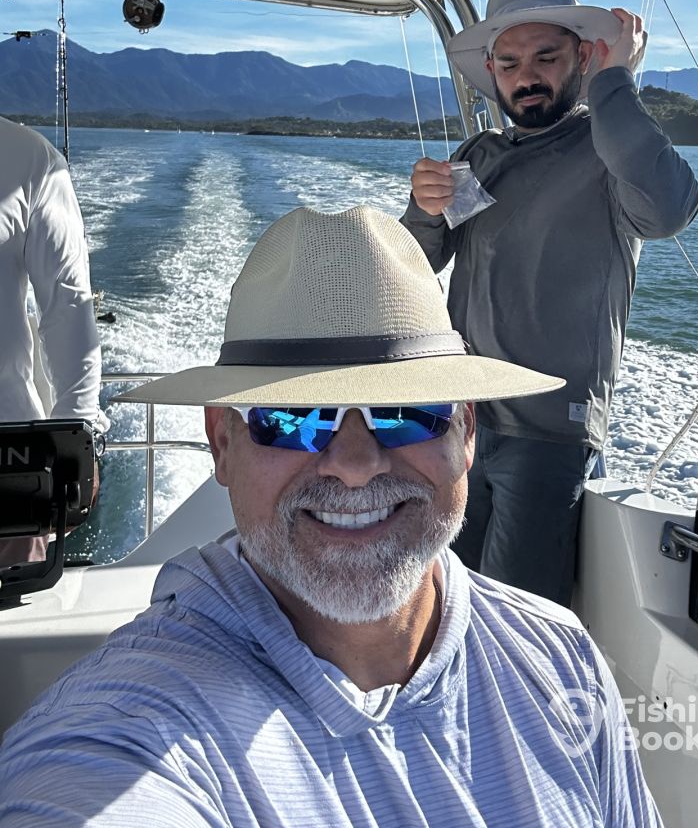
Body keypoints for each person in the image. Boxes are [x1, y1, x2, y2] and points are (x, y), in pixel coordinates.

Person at [0, 206, 662, 827]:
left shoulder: (563, 659)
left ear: (465, 432)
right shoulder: (131, 724)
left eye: (406, 412)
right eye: (293, 416)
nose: (355, 464)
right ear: (222, 443)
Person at [401, 0, 698, 605]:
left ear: (583, 57)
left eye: (546, 57)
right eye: (510, 63)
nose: (527, 76)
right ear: (491, 71)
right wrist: (424, 210)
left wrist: (615, 83)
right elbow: (417, 265)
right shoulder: (477, 155)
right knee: (442, 593)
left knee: (516, 611)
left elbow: (668, 209)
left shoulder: (609, 153)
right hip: (458, 418)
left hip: (548, 431)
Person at [0, 117, 107, 565]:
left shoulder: (29, 159)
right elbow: (69, 307)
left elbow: (68, 310)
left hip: (9, 465)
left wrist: (73, 446)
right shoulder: (25, 154)